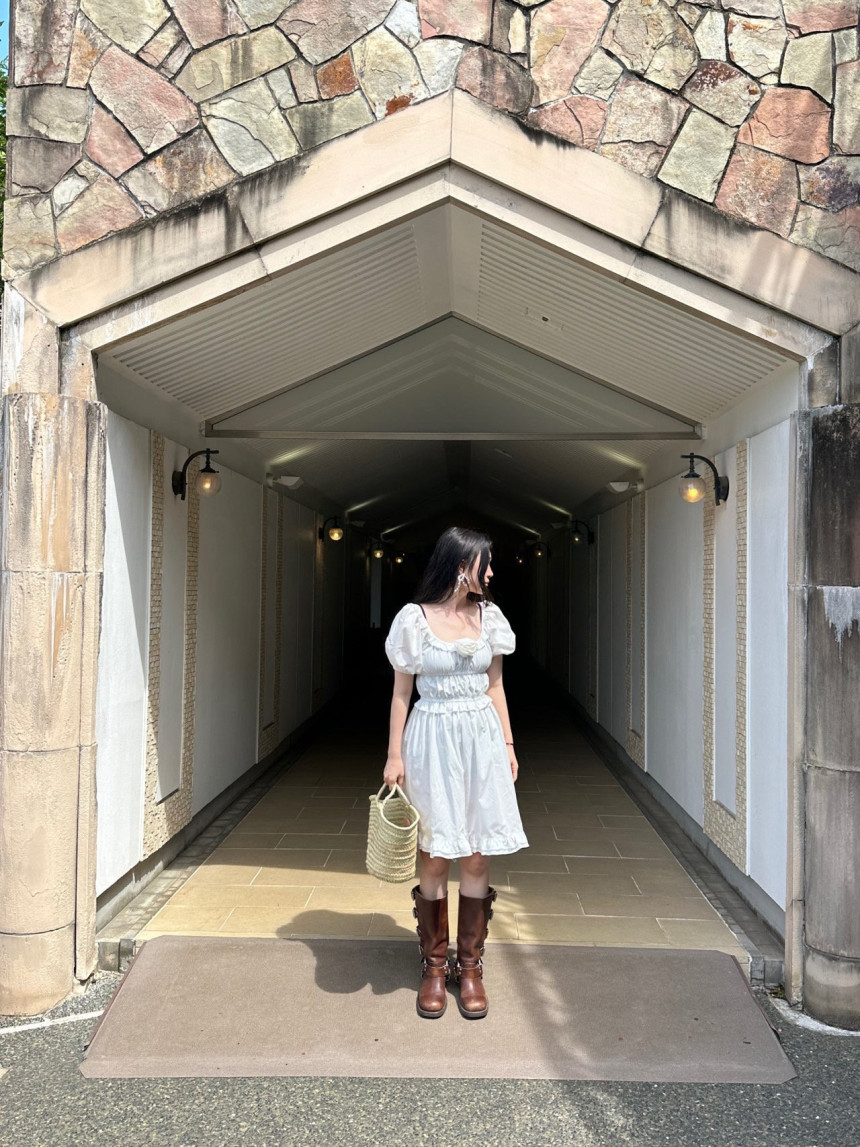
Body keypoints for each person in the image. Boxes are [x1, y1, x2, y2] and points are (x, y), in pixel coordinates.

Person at [383, 526, 528, 1019]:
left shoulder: (491, 618)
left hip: (481, 741)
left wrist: (508, 744)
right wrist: (394, 756)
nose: (491, 572)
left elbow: (496, 687)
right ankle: (433, 966)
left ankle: (469, 967)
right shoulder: (414, 620)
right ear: (461, 565)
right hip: (430, 740)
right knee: (434, 854)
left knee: (478, 852)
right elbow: (401, 693)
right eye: (485, 563)